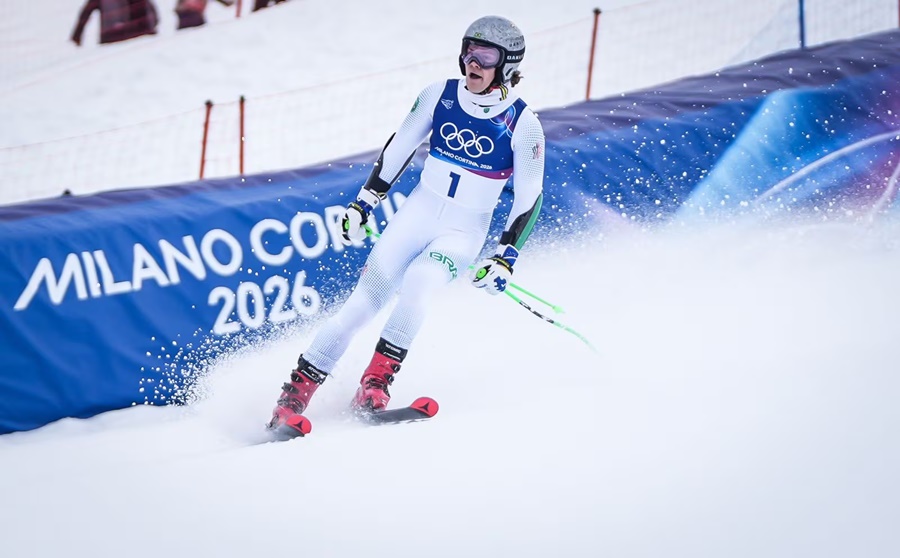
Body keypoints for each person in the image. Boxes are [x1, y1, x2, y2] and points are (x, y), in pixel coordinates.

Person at [266, 15, 546, 438]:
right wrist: (364, 202)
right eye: (468, 50)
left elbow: (530, 197)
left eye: (485, 55)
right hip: (415, 216)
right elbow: (399, 147)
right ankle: (292, 398)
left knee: (419, 283)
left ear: (507, 65)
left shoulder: (523, 124)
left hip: (462, 234)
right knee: (362, 304)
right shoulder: (439, 95)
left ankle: (373, 385)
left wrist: (506, 256)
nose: (472, 62)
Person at [71, 0, 158, 46]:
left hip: (113, 38)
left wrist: (77, 35)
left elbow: (86, 13)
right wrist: (154, 23)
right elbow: (150, 8)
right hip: (142, 34)